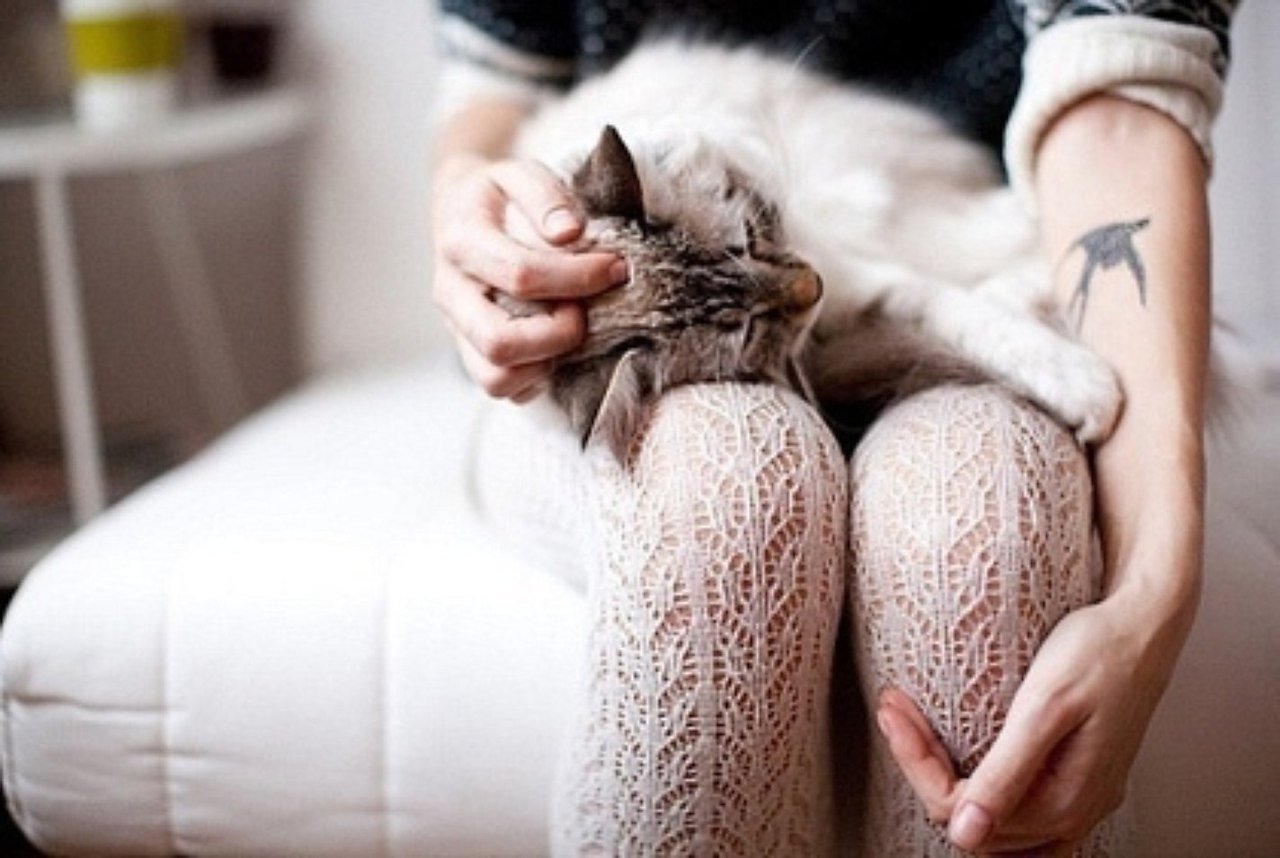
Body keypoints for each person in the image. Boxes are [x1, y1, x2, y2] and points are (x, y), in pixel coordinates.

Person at [428, 1, 1237, 854]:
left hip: (948, 222)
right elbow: (490, 98)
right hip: (592, 334)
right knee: (728, 502)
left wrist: (1153, 594)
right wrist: (470, 215)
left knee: (983, 524)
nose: (802, 294)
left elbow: (1122, 105)